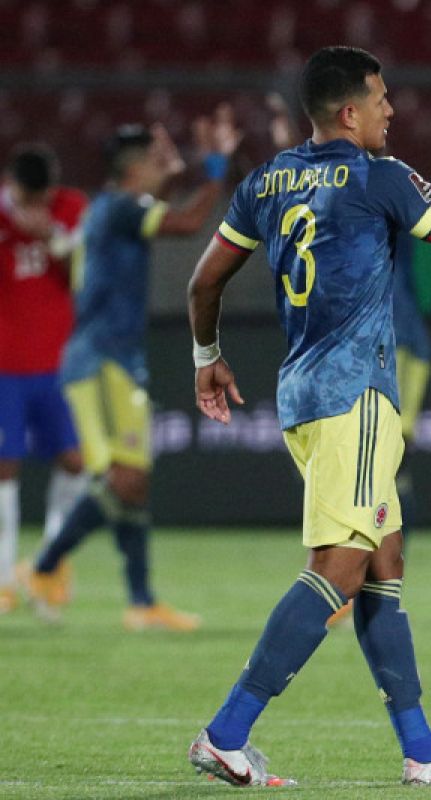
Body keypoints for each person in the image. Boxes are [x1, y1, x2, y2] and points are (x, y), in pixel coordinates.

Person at [185, 46, 431, 787]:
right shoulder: (382, 178)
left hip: (301, 395)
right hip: (355, 395)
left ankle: (424, 752)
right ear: (349, 111)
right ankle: (225, 732)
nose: (392, 110)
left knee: (384, 562)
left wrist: (206, 355)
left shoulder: (267, 179)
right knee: (340, 568)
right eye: (381, 99)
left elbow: (204, 278)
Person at [23, 117, 238, 630]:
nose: (166, 161)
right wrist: (215, 171)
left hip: (116, 359)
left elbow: (162, 206)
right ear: (137, 167)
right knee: (123, 478)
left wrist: (182, 170)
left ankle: (140, 602)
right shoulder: (122, 209)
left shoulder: (110, 208)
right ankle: (45, 566)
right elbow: (186, 224)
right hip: (99, 361)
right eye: (157, 155)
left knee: (132, 484)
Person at [0, 145, 88, 613]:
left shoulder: (71, 208)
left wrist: (54, 236)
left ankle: (48, 568)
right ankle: (2, 578)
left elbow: (86, 272)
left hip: (60, 362)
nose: (37, 202)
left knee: (75, 461)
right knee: (4, 467)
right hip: (4, 364)